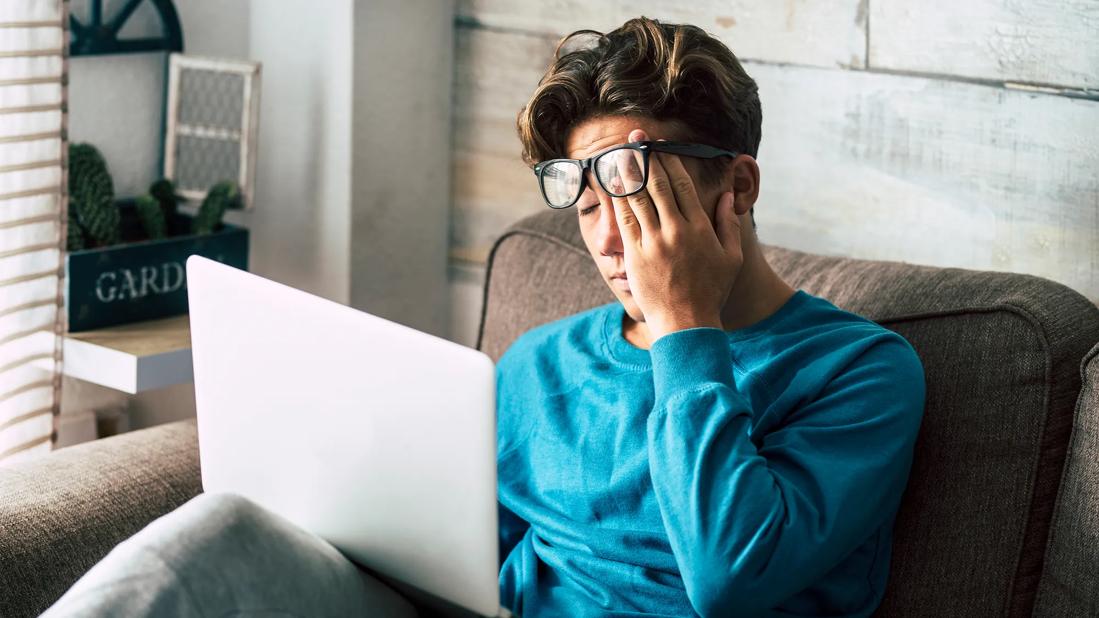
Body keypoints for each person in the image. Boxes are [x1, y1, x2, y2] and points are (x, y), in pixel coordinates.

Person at [42, 16, 925, 618]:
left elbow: (730, 574)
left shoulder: (859, 371)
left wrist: (684, 324)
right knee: (222, 533)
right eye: (583, 200)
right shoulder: (539, 365)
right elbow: (454, 560)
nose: (609, 238)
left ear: (736, 186)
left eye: (633, 185)